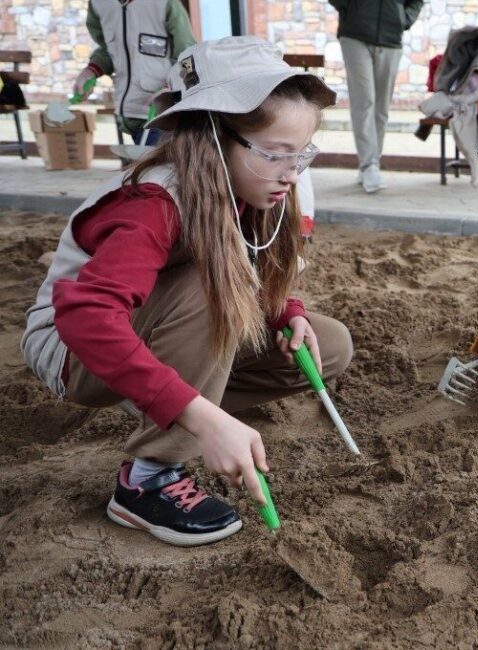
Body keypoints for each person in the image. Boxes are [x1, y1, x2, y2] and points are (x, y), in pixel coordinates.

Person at [23, 36, 354, 547]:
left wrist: (288, 311)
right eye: (276, 154)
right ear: (215, 139)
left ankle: (180, 403)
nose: (292, 174)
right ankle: (146, 478)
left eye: (301, 155)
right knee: (210, 291)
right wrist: (200, 417)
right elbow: (86, 317)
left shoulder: (254, 186)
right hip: (73, 351)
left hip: (158, 330)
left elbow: (252, 264)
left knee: (327, 345)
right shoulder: (156, 200)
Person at [330, 0, 424, 193]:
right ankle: (369, 165)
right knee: (364, 101)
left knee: (381, 109)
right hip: (355, 34)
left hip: (391, 37)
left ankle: (370, 164)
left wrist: (403, 19)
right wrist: (350, 8)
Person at [73, 0, 196, 144]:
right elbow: (110, 50)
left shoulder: (166, 3)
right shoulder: (99, 4)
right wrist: (90, 72)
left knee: (159, 165)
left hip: (160, 117)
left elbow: (188, 56)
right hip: (129, 114)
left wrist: (172, 86)